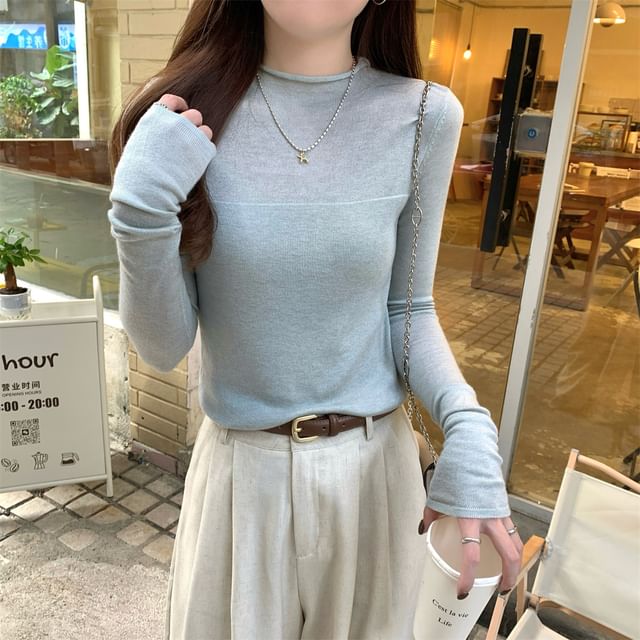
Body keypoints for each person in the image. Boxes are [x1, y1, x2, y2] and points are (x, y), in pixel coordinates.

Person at [107, 1, 524, 638]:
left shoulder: (423, 115)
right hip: (242, 483)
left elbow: (407, 308)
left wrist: (467, 428)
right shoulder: (182, 115)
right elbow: (163, 348)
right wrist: (140, 214)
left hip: (374, 480)